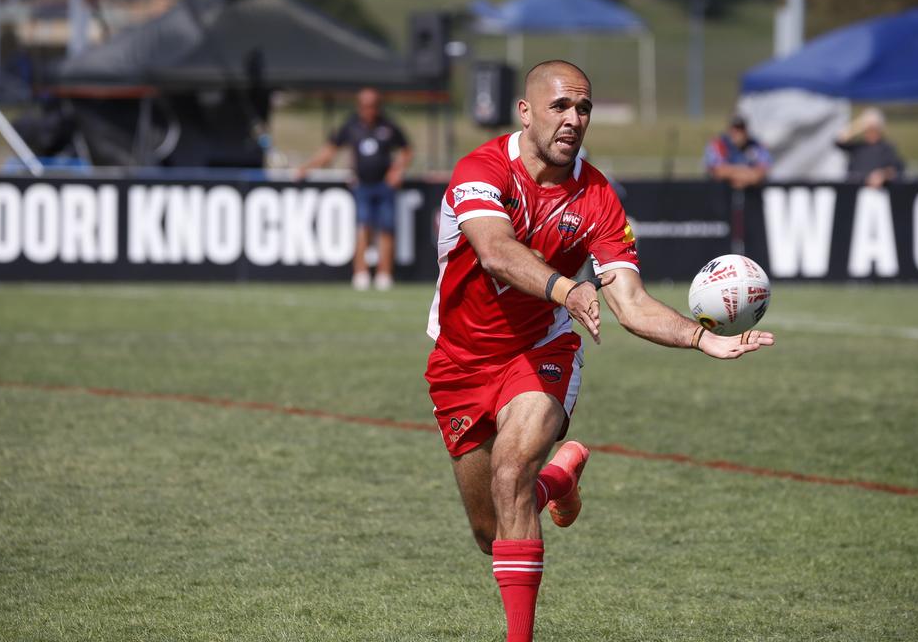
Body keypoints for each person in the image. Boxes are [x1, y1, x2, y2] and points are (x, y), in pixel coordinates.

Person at [424, 60, 775, 642]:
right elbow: (494, 251)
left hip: (542, 347)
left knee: (510, 474)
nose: (574, 119)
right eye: (560, 106)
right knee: (491, 530)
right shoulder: (481, 170)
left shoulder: (597, 197)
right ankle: (556, 481)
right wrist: (568, 285)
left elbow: (630, 302)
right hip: (459, 359)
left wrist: (701, 336)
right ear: (527, 111)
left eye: (583, 108)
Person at [297, 88, 412, 290]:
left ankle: (384, 275)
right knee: (363, 227)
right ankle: (361, 273)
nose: (369, 110)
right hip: (362, 185)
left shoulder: (388, 125)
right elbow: (330, 150)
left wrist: (397, 170)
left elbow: (406, 150)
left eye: (373, 106)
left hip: (384, 185)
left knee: (387, 229)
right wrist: (307, 168)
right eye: (365, 106)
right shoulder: (351, 126)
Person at [836, 107, 905, 188]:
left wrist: (882, 175)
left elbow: (896, 169)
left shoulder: (886, 148)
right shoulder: (858, 146)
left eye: (873, 128)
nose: (870, 132)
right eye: (868, 129)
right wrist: (859, 124)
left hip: (877, 194)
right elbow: (839, 140)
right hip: (854, 191)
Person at [704, 115, 772, 189]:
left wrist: (733, 175)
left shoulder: (756, 145)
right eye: (734, 129)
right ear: (728, 129)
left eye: (740, 129)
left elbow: (761, 173)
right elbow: (718, 171)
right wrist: (747, 173)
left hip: (751, 195)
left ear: (746, 131)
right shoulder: (718, 144)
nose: (737, 133)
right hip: (721, 195)